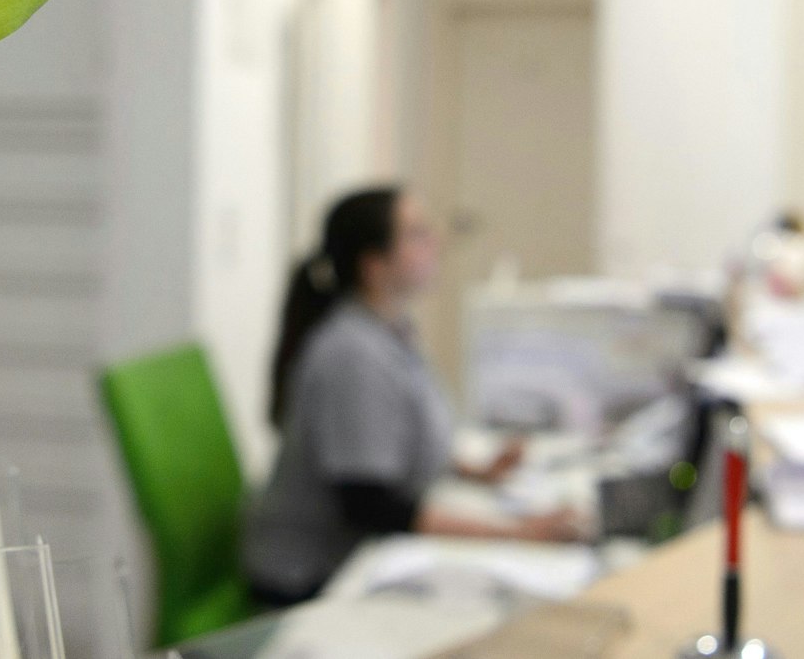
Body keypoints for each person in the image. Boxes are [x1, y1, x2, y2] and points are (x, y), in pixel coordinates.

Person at [243, 186, 581, 606]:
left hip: (360, 559)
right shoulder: (352, 354)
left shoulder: (388, 331)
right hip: (310, 583)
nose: (435, 241)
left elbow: (398, 441)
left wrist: (478, 472)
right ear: (375, 264)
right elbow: (371, 504)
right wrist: (518, 534)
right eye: (417, 234)